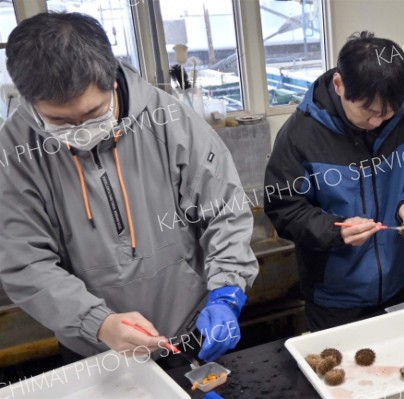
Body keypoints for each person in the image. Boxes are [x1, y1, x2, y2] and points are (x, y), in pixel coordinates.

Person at [0, 12, 258, 364]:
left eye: (93, 113)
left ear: (111, 80)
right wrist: (99, 323)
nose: (79, 130)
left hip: (190, 328)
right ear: (30, 102)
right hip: (93, 346)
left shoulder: (166, 117)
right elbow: (25, 262)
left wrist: (226, 291)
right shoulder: (15, 152)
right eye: (59, 121)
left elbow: (225, 209)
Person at [264, 31, 404, 331]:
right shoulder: (301, 134)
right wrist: (335, 230)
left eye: (387, 114)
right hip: (334, 299)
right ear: (339, 84)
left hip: (398, 283)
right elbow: (284, 208)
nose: (376, 123)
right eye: (368, 112)